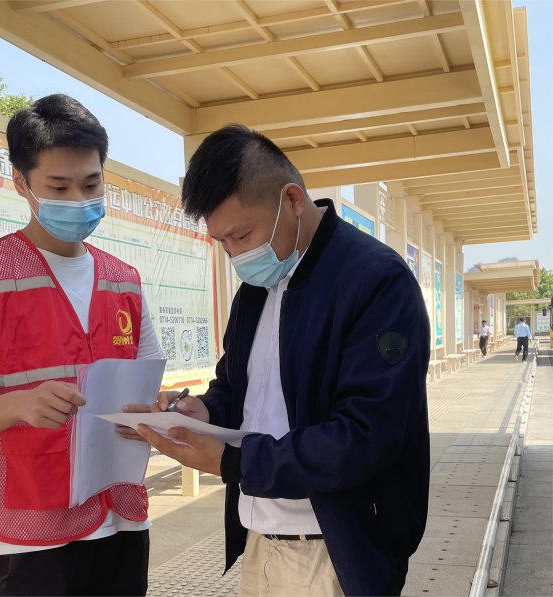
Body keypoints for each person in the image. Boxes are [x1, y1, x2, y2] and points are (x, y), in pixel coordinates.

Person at [121, 125, 430, 597]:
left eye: (242, 235)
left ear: (292, 199)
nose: (235, 254)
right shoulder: (255, 291)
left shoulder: (375, 281)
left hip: (333, 553)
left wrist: (234, 461)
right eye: (222, 242)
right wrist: (203, 412)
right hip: (259, 540)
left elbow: (367, 434)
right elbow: (236, 389)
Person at [0, 94, 162, 597]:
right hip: (32, 533)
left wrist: (159, 410)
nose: (79, 200)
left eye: (92, 184)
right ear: (21, 183)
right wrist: (19, 404)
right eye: (59, 187)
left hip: (121, 515)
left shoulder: (124, 280)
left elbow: (148, 387)